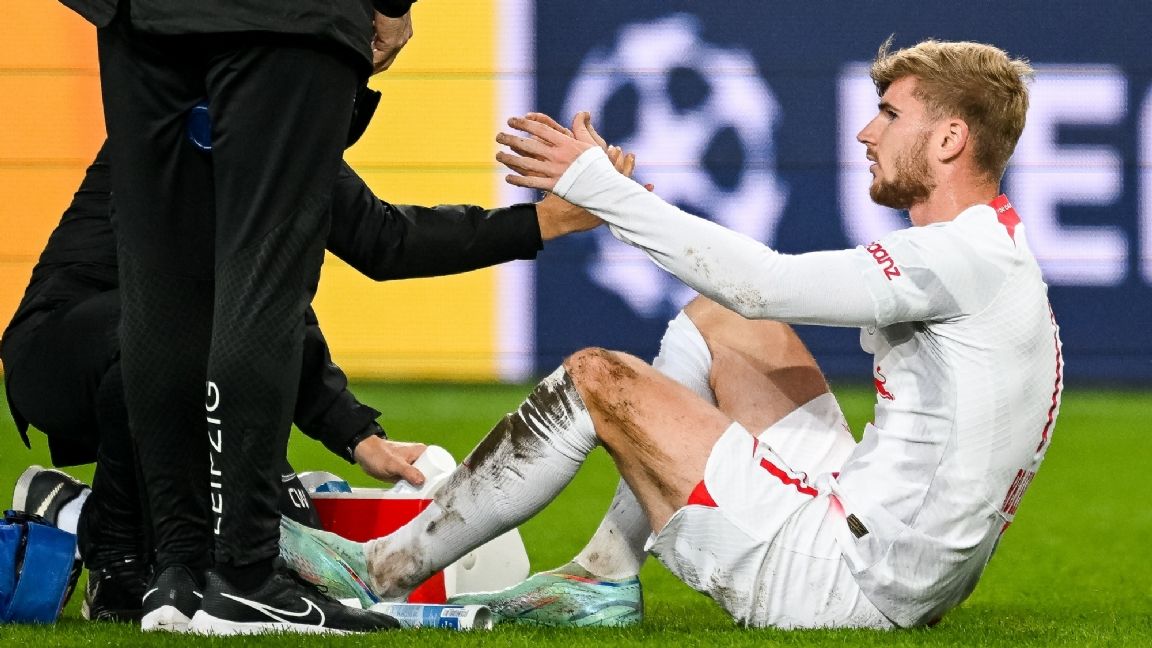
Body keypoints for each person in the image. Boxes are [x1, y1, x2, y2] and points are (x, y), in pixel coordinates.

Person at [280, 38, 1063, 629]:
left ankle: (382, 569)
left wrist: (601, 189)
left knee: (596, 379)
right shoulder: (992, 252)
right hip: (893, 553)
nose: (865, 131)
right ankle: (604, 577)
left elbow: (765, 281)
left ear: (949, 139)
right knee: (725, 320)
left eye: (890, 114)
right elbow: (745, 301)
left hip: (846, 580)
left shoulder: (960, 259)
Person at [2, 128, 620, 624]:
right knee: (174, 336)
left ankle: (78, 516)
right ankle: (114, 557)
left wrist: (356, 435)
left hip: (171, 353)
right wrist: (545, 221)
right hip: (63, 350)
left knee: (287, 535)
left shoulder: (276, 119)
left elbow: (359, 251)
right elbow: (263, 297)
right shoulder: (214, 113)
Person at [57, 0, 426, 634]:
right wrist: (391, 7)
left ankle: (177, 575)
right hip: (282, 15)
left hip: (140, 17)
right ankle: (247, 580)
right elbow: (374, 241)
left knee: (158, 291)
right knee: (261, 285)